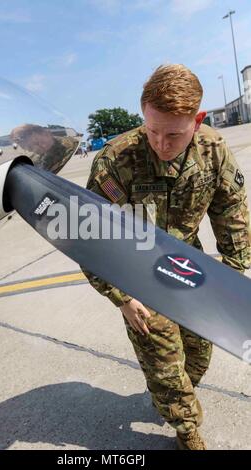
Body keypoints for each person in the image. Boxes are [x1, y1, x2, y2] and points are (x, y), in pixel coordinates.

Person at [82, 64, 251, 450]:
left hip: (191, 271)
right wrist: (120, 296)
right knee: (166, 366)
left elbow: (231, 213)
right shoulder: (116, 160)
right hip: (137, 275)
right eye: (152, 130)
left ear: (197, 120)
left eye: (173, 134)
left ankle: (174, 399)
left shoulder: (213, 150)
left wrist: (233, 276)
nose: (161, 142)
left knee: (199, 355)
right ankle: (186, 431)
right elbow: (90, 236)